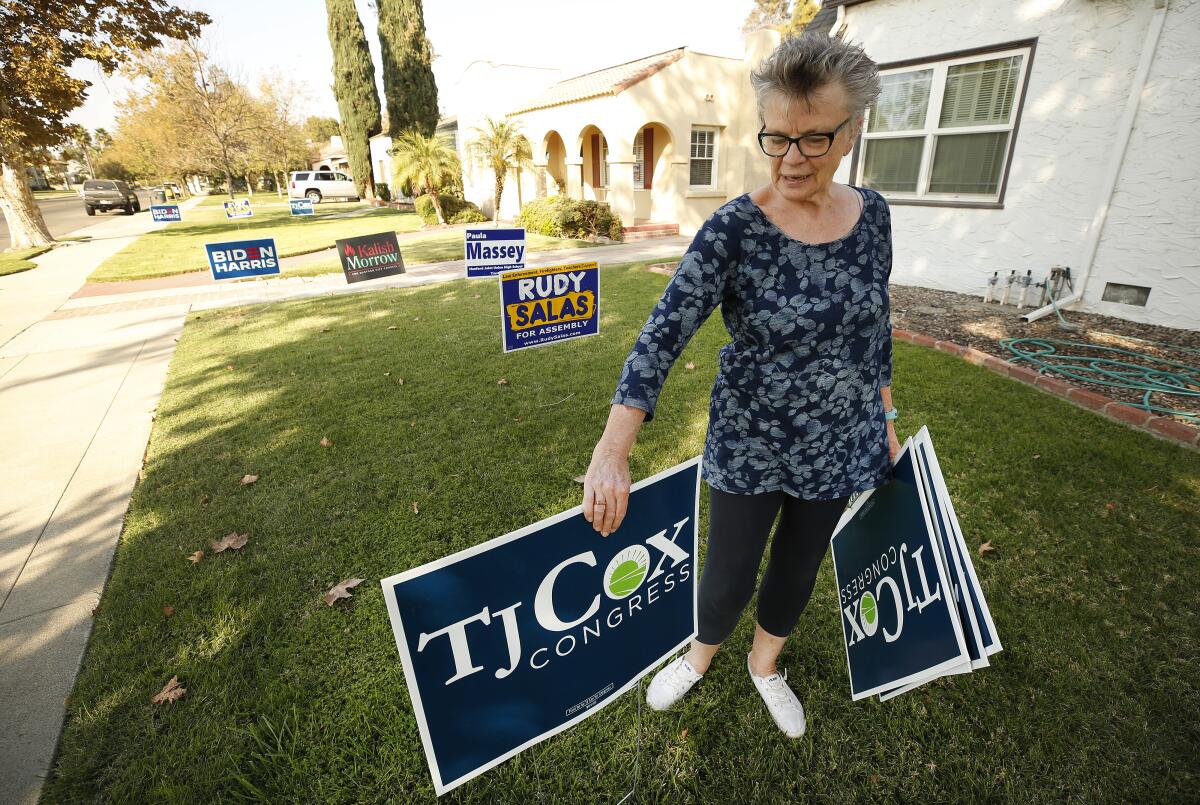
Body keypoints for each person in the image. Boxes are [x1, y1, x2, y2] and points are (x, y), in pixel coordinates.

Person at [581, 33, 898, 739]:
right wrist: (613, 449)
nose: (790, 159)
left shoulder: (873, 216)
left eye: (813, 140)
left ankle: (765, 665)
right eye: (776, 138)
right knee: (726, 576)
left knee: (796, 570)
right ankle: (699, 657)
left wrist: (886, 418)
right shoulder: (734, 230)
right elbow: (661, 335)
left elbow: (876, 329)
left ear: (852, 131)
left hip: (838, 440)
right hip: (750, 438)